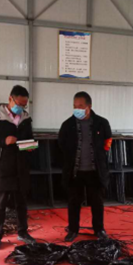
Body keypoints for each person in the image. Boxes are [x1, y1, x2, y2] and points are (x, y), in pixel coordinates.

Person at [0, 85, 37, 250]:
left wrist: (30, 146)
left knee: (21, 203)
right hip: (3, 166)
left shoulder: (26, 118)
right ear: (10, 99)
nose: (21, 108)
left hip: (21, 166)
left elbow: (30, 139)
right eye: (19, 104)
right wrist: (3, 141)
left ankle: (23, 232)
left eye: (24, 105)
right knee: (0, 204)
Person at [58, 92, 113, 242]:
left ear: (89, 106)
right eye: (75, 106)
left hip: (95, 171)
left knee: (97, 202)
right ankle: (73, 230)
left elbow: (108, 141)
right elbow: (61, 144)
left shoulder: (101, 123)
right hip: (75, 171)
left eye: (81, 106)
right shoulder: (67, 125)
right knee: (74, 202)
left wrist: (100, 156)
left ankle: (99, 229)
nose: (77, 109)